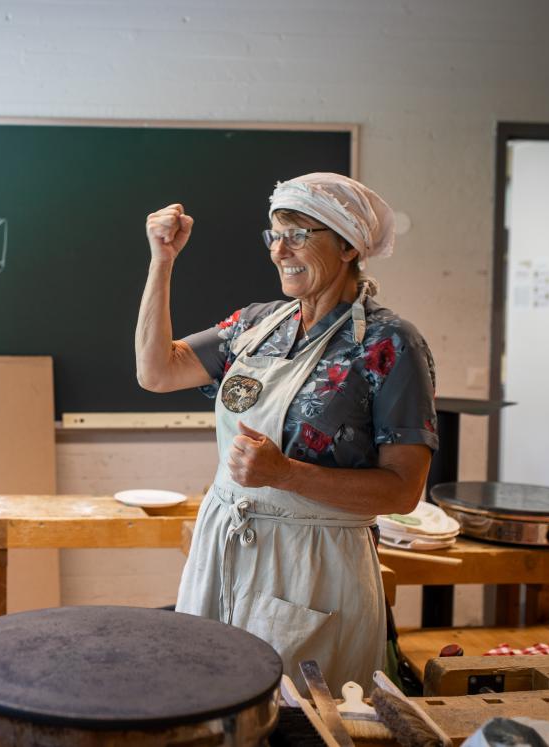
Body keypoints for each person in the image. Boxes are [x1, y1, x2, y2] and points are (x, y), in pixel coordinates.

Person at [135, 173, 437, 692]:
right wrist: (161, 262)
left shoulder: (389, 344)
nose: (279, 250)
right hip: (225, 545)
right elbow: (157, 371)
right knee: (209, 699)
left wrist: (285, 473)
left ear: (347, 245)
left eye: (299, 234)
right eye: (273, 235)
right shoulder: (258, 325)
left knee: (299, 715)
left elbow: (404, 490)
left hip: (314, 566)